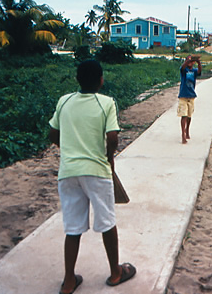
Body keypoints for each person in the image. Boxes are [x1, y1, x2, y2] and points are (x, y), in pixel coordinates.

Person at [49, 60, 136, 294]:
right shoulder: (106, 103)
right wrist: (108, 157)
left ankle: (69, 281)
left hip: (68, 173)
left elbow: (53, 133)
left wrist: (69, 150)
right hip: (97, 171)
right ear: (101, 80)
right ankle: (116, 272)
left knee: (73, 227)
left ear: (77, 79)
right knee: (107, 222)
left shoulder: (64, 101)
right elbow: (113, 137)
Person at [178, 55, 202, 144]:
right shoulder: (184, 70)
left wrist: (198, 62)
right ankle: (183, 134)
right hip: (183, 95)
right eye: (189, 61)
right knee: (183, 115)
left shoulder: (194, 71)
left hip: (191, 95)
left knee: (189, 116)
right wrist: (187, 61)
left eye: (192, 61)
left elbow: (199, 71)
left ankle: (187, 130)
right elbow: (182, 67)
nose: (190, 63)